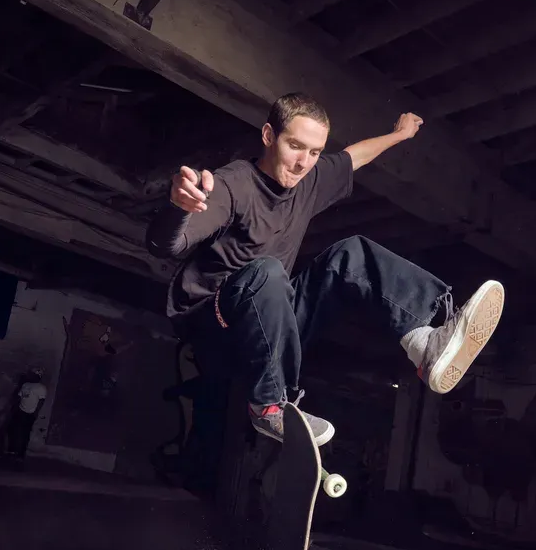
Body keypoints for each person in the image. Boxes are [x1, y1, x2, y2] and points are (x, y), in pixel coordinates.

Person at [145, 93, 504, 446]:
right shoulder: (234, 184)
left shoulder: (309, 179)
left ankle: (424, 340)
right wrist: (179, 207)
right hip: (217, 329)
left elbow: (353, 157)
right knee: (267, 272)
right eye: (295, 146)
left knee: (351, 253)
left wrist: (400, 135)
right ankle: (269, 407)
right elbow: (167, 246)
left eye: (314, 152)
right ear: (269, 136)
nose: (303, 163)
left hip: (269, 327)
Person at [3, 366, 47, 459]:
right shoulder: (25, 385)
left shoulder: (41, 388)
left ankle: (21, 453)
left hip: (30, 413)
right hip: (20, 411)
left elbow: (41, 401)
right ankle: (12, 450)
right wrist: (13, 407)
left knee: (25, 433)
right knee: (14, 430)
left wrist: (36, 412)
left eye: (33, 375)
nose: (31, 376)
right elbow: (19, 397)